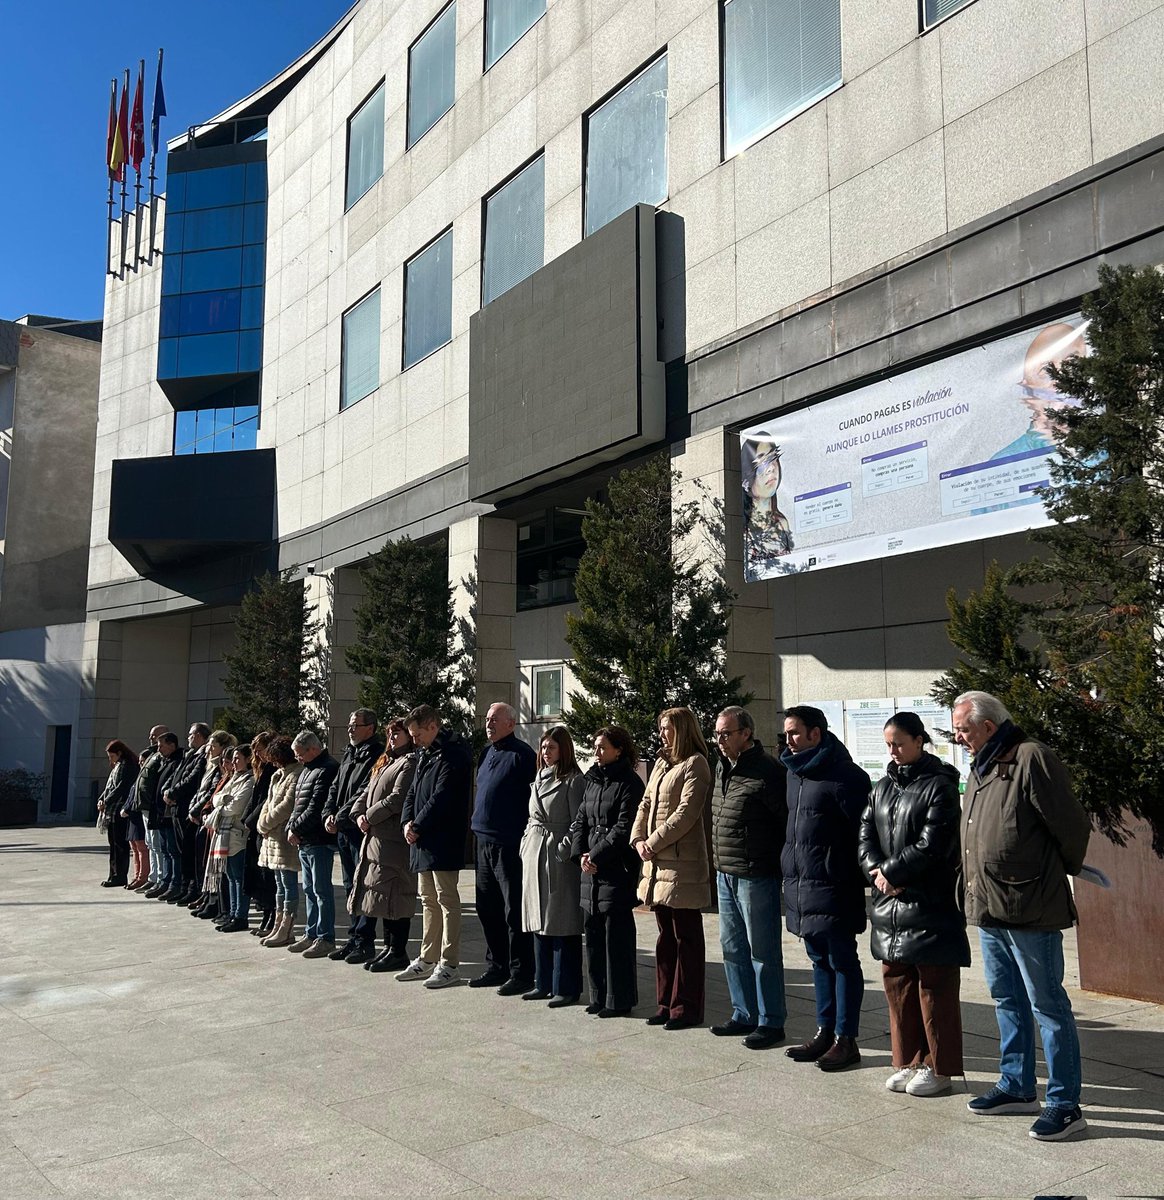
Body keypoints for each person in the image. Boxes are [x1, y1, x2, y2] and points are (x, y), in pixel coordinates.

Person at [954, 690, 1092, 1142]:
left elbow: (1071, 826)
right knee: (1006, 999)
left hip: (1031, 906)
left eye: (964, 729)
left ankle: (1064, 1104)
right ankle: (1016, 1086)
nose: (958, 737)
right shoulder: (980, 767)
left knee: (1048, 1005)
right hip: (990, 907)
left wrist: (1053, 873)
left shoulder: (1031, 758)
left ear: (988, 727)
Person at [858, 712, 970, 1097]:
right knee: (897, 982)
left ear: (920, 740)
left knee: (934, 986)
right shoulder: (881, 786)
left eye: (900, 743)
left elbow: (933, 842)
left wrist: (893, 873)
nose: (893, 751)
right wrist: (876, 871)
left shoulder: (938, 785)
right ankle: (910, 1060)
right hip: (889, 903)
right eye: (888, 744)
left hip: (928, 902)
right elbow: (865, 835)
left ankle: (940, 1068)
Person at [780, 705, 872, 1071]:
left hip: (835, 884)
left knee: (842, 961)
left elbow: (863, 834)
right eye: (786, 734)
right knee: (818, 959)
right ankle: (824, 1030)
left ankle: (846, 1039)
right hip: (803, 884)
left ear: (816, 734)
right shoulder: (793, 773)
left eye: (795, 733)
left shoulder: (847, 776)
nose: (788, 740)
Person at [709, 706, 788, 1049]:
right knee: (732, 947)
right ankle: (743, 1013)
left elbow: (783, 820)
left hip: (756, 873)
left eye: (726, 733)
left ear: (746, 733)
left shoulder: (767, 770)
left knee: (762, 950)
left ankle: (771, 1021)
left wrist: (772, 861)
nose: (720, 740)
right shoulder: (722, 765)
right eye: (717, 734)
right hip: (724, 871)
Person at [632, 707, 712, 1031]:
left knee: (686, 937)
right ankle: (665, 1003)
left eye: (667, 728)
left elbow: (686, 813)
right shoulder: (662, 763)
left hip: (683, 866)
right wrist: (638, 838)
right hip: (656, 863)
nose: (662, 734)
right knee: (665, 938)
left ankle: (686, 1008)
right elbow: (646, 803)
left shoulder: (697, 764)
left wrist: (653, 841)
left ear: (682, 729)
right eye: (660, 728)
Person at [569, 725, 645, 1018]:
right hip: (590, 871)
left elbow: (624, 827)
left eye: (602, 747)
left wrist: (596, 855)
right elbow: (581, 821)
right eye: (595, 747)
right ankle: (598, 995)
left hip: (616, 870)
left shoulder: (629, 783)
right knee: (594, 934)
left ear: (619, 749)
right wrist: (580, 856)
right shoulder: (592, 781)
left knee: (617, 937)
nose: (597, 752)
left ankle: (619, 999)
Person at [397, 705, 472, 989]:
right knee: (427, 899)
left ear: (432, 726)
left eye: (417, 734)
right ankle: (427, 958)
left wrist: (418, 825)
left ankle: (449, 963)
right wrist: (407, 821)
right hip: (421, 838)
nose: (413, 740)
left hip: (443, 838)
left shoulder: (454, 752)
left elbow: (444, 795)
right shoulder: (425, 752)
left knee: (447, 900)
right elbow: (413, 791)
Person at [470, 702, 538, 992]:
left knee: (513, 911)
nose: (489, 724)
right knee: (488, 908)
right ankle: (496, 966)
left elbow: (533, 801)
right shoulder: (486, 753)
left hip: (509, 844)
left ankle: (521, 973)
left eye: (495, 719)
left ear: (511, 723)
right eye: (487, 719)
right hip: (483, 842)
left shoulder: (522, 755)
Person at [518, 725, 585, 1006]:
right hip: (534, 853)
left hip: (557, 858)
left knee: (561, 923)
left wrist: (562, 849)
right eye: (543, 747)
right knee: (538, 921)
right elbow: (532, 816)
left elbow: (578, 820)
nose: (545, 752)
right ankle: (542, 982)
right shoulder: (538, 776)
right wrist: (525, 844)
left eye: (551, 748)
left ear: (564, 749)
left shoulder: (572, 780)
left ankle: (566, 987)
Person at [347, 718, 419, 973]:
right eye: (389, 733)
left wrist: (370, 816)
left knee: (396, 895)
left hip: (394, 842)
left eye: (397, 733)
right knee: (381, 897)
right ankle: (389, 948)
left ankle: (398, 951)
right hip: (376, 840)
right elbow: (364, 792)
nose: (392, 737)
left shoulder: (410, 762)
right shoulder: (385, 762)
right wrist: (358, 814)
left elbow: (397, 798)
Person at [324, 709, 385, 963]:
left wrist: (340, 817)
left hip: (358, 829)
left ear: (369, 728)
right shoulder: (350, 753)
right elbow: (336, 786)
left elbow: (364, 790)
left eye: (355, 725)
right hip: (343, 830)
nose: (350, 729)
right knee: (350, 886)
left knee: (363, 885)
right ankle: (353, 938)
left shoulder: (375, 755)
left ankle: (365, 941)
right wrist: (328, 812)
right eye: (350, 725)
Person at [285, 730, 341, 958]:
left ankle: (325, 937)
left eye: (300, 754)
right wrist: (291, 827)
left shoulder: (327, 768)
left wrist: (295, 828)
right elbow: (297, 804)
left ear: (313, 749)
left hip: (318, 840)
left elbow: (316, 807)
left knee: (321, 890)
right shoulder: (307, 770)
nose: (298, 758)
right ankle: (311, 932)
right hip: (304, 840)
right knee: (309, 889)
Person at [256, 736, 302, 948]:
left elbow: (287, 804)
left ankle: (287, 927)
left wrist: (265, 823)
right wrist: (261, 824)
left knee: (288, 884)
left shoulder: (295, 774)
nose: (272, 762)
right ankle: (278, 924)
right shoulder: (277, 775)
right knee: (279, 885)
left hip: (283, 838)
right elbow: (268, 802)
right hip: (271, 836)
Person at [162, 722, 210, 903]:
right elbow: (177, 775)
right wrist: (167, 791)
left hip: (187, 809)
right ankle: (184, 886)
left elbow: (192, 780)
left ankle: (192, 888)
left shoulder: (202, 756)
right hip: (176, 807)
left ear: (199, 736)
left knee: (189, 852)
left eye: (191, 734)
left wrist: (173, 793)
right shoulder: (189, 755)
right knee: (181, 850)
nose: (188, 737)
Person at [210, 745, 256, 932]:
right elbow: (216, 797)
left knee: (238, 877)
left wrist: (221, 804)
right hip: (224, 832)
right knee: (229, 875)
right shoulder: (234, 778)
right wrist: (222, 801)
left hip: (236, 834)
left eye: (238, 758)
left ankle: (240, 915)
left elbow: (236, 807)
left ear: (248, 759)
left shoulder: (249, 780)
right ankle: (232, 913)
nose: (234, 762)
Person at [742, 435, 794, 580]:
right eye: (762, 462)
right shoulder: (744, 532)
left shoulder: (782, 524)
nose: (771, 468)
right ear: (746, 479)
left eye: (773, 458)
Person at [243, 731, 277, 937]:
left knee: (269, 878)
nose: (257, 753)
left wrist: (250, 821)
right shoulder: (261, 769)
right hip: (254, 828)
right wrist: (245, 819)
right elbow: (254, 798)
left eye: (260, 748)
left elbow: (267, 800)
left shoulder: (274, 769)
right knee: (259, 875)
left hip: (263, 827)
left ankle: (272, 916)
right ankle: (266, 914)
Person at [146, 733, 185, 900]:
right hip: (161, 813)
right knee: (163, 850)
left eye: (161, 745)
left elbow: (174, 783)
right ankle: (164, 881)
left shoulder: (178, 761)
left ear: (172, 745)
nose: (158, 748)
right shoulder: (165, 761)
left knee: (173, 851)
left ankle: (174, 884)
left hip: (170, 814)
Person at [97, 740, 138, 888]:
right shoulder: (118, 766)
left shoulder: (129, 765)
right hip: (112, 809)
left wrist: (106, 801)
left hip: (120, 808)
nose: (110, 759)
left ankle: (120, 875)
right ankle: (113, 874)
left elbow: (121, 787)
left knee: (120, 844)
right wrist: (102, 799)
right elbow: (109, 786)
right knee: (113, 844)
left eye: (112, 755)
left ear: (120, 753)